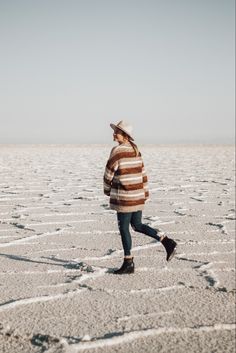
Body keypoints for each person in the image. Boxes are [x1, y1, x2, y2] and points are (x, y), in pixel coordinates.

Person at [103, 120, 177, 274]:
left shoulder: (117, 151)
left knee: (124, 228)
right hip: (138, 195)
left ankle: (128, 263)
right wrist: (145, 194)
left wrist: (107, 190)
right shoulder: (136, 150)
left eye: (117, 131)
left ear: (124, 135)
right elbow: (143, 174)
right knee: (137, 225)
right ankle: (166, 240)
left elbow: (108, 173)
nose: (114, 133)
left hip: (125, 196)